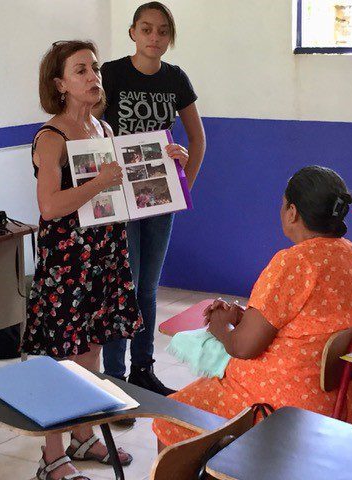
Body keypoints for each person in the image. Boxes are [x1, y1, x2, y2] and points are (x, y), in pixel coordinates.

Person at [152, 166, 352, 448]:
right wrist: (246, 316)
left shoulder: (293, 263)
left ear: (292, 211)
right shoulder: (349, 254)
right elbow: (308, 324)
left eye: (283, 204)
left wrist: (221, 325)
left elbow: (243, 347)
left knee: (170, 418)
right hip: (335, 399)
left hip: (278, 404)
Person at [20, 40, 142, 480]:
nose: (93, 77)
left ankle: (84, 436)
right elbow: (49, 207)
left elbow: (121, 190)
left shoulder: (104, 130)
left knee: (91, 352)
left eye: (95, 69)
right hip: (69, 261)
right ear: (59, 84)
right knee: (63, 358)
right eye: (81, 71)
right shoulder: (50, 137)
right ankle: (51, 457)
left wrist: (167, 165)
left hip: (104, 255)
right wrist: (99, 183)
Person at [101, 1, 206, 399]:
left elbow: (197, 138)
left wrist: (184, 186)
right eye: (146, 29)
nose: (154, 38)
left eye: (162, 31)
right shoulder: (110, 73)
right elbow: (90, 129)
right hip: (120, 196)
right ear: (133, 33)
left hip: (159, 197)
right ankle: (114, 376)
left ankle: (142, 367)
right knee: (121, 286)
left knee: (147, 287)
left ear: (170, 37)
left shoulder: (175, 78)